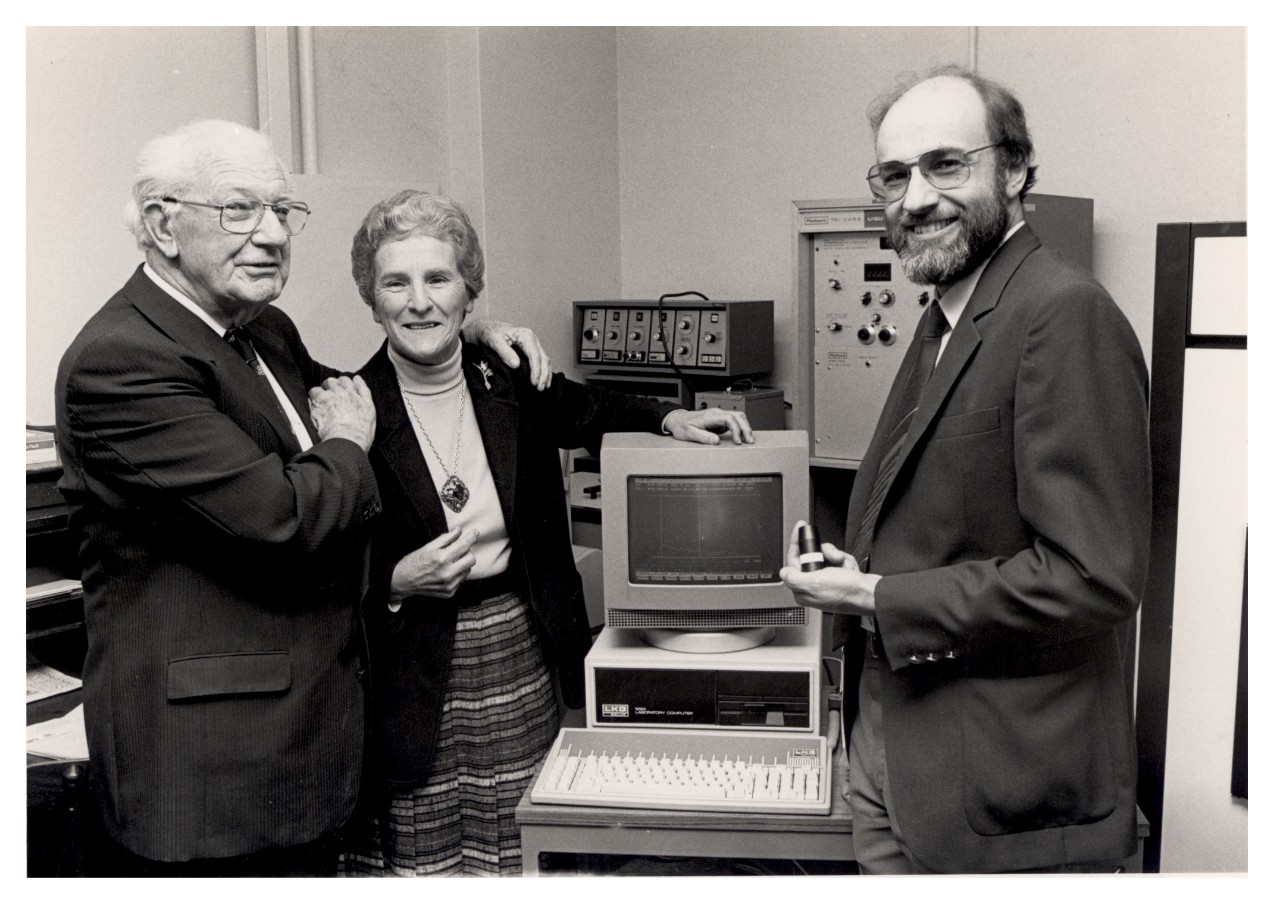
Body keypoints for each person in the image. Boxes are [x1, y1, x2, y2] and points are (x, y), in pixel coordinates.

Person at [54, 119, 550, 876]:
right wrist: (346, 445)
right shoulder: (122, 361)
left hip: (300, 746)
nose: (272, 235)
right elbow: (284, 516)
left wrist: (467, 331)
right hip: (217, 778)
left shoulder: (260, 329)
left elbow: (372, 394)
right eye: (239, 210)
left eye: (281, 211)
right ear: (161, 225)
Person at [779, 65, 1151, 874]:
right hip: (903, 760)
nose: (915, 199)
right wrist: (865, 568)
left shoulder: (1062, 313)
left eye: (947, 165)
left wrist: (876, 595)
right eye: (894, 175)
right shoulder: (945, 313)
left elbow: (1094, 576)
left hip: (999, 792)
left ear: (1015, 170)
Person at [337, 190, 754, 876]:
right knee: (427, 860)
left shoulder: (508, 378)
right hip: (408, 670)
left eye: (438, 279)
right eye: (396, 282)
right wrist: (391, 583)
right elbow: (320, 564)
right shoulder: (348, 406)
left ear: (468, 292)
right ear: (372, 297)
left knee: (528, 848)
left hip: (518, 650)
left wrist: (668, 420)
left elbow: (589, 407)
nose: (419, 301)